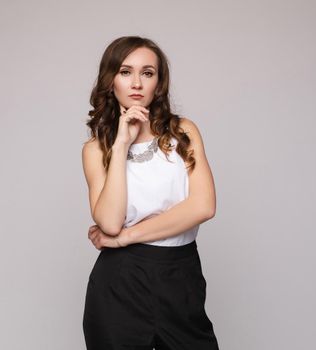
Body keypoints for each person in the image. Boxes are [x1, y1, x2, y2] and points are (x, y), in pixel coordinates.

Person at [81, 36, 220, 350]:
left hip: (181, 276)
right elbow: (110, 223)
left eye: (147, 73)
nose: (136, 83)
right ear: (110, 81)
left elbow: (203, 206)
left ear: (158, 83)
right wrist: (120, 146)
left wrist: (125, 238)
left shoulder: (183, 132)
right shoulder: (96, 149)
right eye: (125, 72)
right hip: (120, 284)